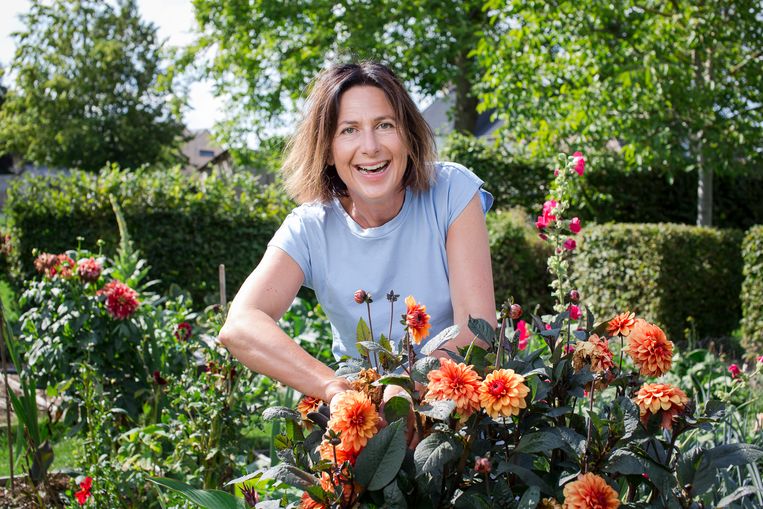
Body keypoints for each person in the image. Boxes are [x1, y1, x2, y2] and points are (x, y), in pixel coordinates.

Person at [218, 61, 496, 409]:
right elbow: (240, 325)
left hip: (455, 406)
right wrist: (334, 389)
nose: (370, 146)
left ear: (408, 136)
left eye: (384, 125)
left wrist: (411, 384)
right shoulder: (310, 227)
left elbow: (477, 328)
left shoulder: (452, 190)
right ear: (328, 150)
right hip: (363, 412)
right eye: (349, 130)